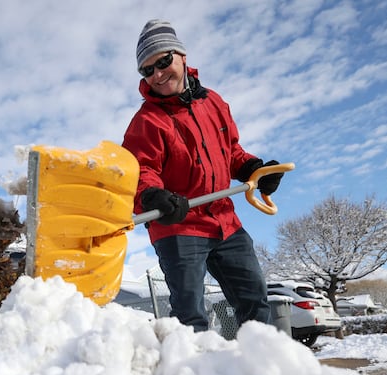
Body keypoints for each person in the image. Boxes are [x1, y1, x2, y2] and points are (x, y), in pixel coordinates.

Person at [122, 19, 284, 332]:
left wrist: (254, 169)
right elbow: (141, 170)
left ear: (181, 56)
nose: (157, 74)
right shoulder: (147, 121)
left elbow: (232, 152)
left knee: (255, 301)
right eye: (146, 70)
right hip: (178, 225)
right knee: (189, 316)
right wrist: (152, 196)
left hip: (225, 221)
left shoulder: (214, 103)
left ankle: (262, 373)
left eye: (163, 62)